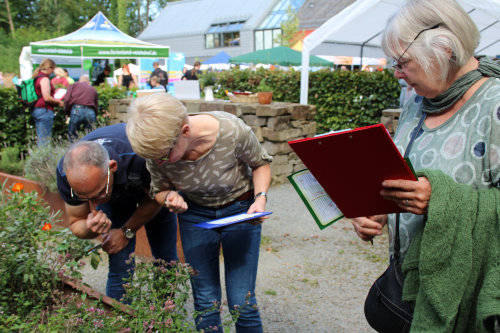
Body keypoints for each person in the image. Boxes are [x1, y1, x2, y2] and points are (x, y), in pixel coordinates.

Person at [350, 0, 500, 331]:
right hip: (410, 287)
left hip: (466, 300)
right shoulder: (417, 102)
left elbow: (439, 195)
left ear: (445, 49)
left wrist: (442, 200)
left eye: (403, 62)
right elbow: (404, 177)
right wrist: (378, 211)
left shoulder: (495, 105)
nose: (396, 73)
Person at [126, 93, 272, 332]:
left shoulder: (232, 131)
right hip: (195, 215)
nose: (160, 163)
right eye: (154, 158)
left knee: (242, 302)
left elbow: (260, 163)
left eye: (164, 156)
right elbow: (159, 191)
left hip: (239, 210)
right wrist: (169, 198)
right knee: (205, 300)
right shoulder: (157, 151)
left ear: (185, 132)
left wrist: (260, 197)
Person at [56, 123, 178, 302]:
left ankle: (164, 317)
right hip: (116, 198)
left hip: (150, 191)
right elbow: (76, 223)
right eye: (84, 196)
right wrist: (90, 227)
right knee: (120, 261)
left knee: (165, 259)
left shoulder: (139, 155)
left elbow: (155, 198)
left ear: (111, 167)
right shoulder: (67, 173)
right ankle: (120, 322)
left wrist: (126, 232)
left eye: (98, 192)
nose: (94, 204)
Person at [32, 58, 64, 146]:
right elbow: (46, 97)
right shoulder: (44, 79)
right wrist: (58, 102)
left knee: (40, 137)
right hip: (44, 110)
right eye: (52, 70)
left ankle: (39, 158)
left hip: (36, 109)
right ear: (49, 68)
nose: (52, 72)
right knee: (44, 140)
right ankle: (44, 159)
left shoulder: (37, 77)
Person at [64, 75, 98, 140]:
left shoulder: (73, 86)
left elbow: (67, 99)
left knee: (72, 133)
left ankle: (73, 147)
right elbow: (96, 103)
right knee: (90, 135)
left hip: (77, 109)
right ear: (88, 82)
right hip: (90, 110)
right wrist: (96, 114)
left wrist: (67, 112)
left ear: (79, 80)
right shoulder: (92, 88)